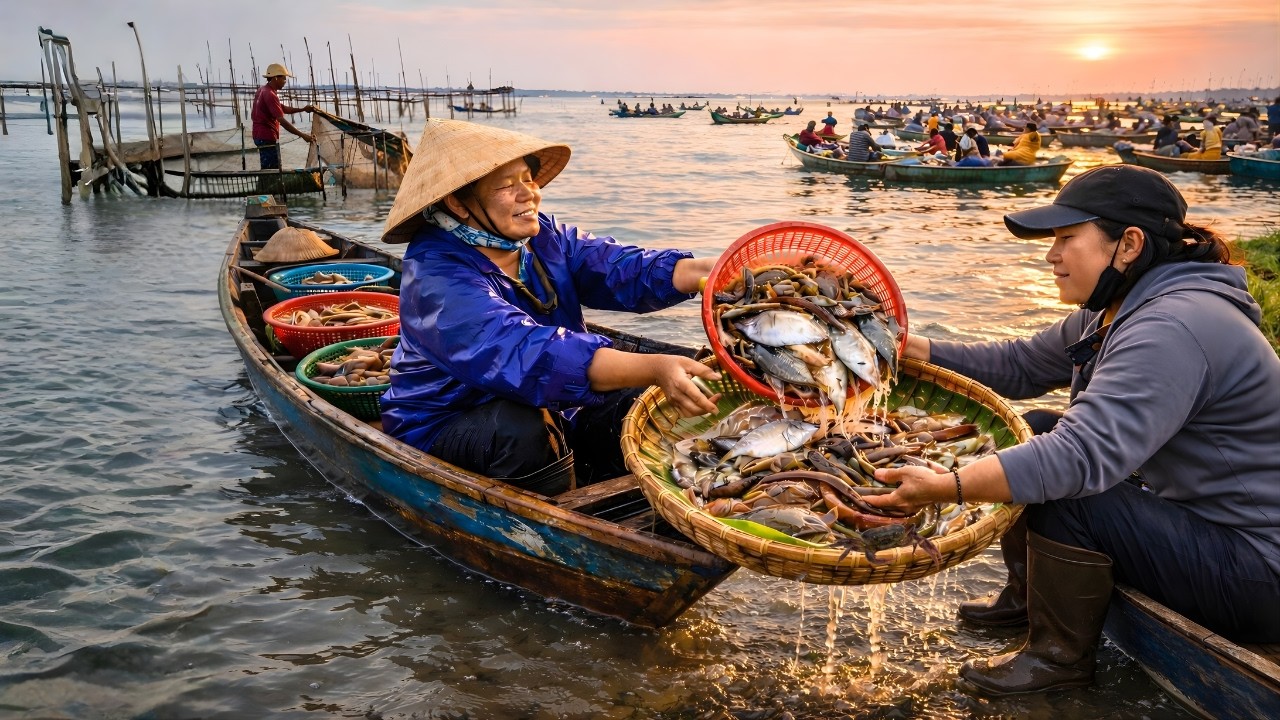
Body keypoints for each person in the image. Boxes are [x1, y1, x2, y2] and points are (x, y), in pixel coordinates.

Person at [862, 165, 1280, 696]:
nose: (1050, 256)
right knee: (1034, 427)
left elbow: (1080, 459)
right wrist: (901, 345)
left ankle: (1056, 662)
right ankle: (1025, 600)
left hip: (1259, 574)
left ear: (1127, 244)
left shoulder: (1173, 325)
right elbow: (1018, 366)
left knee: (1069, 489)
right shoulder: (1117, 308)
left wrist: (947, 485)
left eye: (1066, 239)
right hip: (1200, 525)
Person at [378, 120, 721, 494]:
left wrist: (715, 273)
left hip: (553, 404)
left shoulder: (542, 238)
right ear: (458, 203)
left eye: (528, 178)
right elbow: (525, 353)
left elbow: (621, 268)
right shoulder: (436, 275)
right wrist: (654, 366)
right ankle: (560, 517)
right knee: (521, 427)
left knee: (639, 404)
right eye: (508, 185)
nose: (530, 194)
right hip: (448, 422)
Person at [251, 63, 314, 170]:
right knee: (272, 170)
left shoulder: (263, 90)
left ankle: (265, 185)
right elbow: (281, 120)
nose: (285, 82)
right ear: (276, 78)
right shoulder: (270, 94)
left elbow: (282, 108)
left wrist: (303, 109)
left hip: (259, 135)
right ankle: (267, 186)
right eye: (284, 79)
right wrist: (302, 135)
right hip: (266, 136)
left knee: (268, 169)